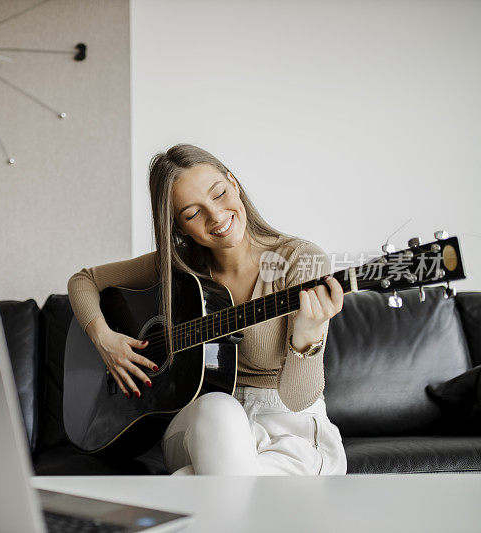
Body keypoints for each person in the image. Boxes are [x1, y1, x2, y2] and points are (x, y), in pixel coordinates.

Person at [67, 143, 347, 476]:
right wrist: (104, 338)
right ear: (178, 226)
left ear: (234, 183)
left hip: (288, 432)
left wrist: (308, 337)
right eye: (192, 213)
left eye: (219, 194)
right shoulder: (179, 266)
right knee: (218, 407)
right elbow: (83, 281)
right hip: (202, 426)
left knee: (211, 480)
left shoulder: (298, 260)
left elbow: (299, 400)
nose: (215, 217)